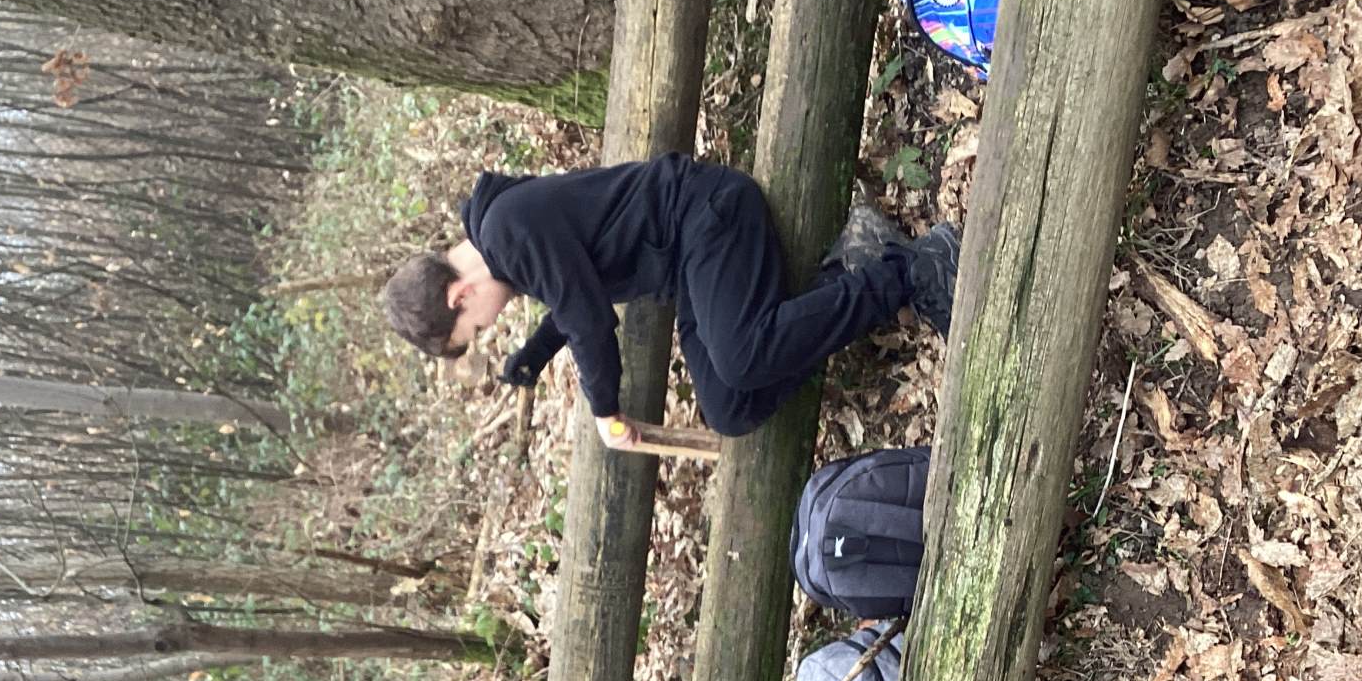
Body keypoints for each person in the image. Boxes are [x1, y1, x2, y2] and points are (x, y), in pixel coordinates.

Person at [379, 153, 962, 444]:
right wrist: (534, 355)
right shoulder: (505, 248)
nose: (489, 324)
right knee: (730, 408)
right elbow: (572, 298)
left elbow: (589, 323)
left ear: (460, 294)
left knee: (743, 358)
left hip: (705, 215)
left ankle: (909, 270)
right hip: (688, 268)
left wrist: (605, 411)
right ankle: (852, 270)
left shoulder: (508, 232)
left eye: (476, 328)